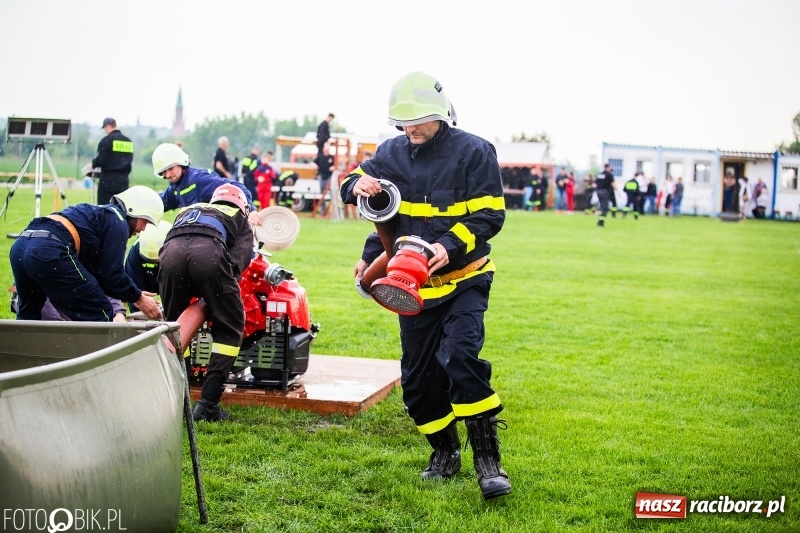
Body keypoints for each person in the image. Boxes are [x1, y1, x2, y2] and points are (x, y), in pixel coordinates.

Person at [340, 71, 511, 500]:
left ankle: (488, 462)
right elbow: (378, 207)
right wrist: (356, 188)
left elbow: (490, 216)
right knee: (417, 384)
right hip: (412, 289)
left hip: (463, 279)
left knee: (459, 357)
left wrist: (448, 248)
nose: (409, 128)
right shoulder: (389, 153)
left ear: (440, 113)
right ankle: (445, 453)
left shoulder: (474, 151)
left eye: (417, 119)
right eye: (402, 121)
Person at [158, 184, 255, 422]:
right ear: (243, 206)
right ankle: (208, 405)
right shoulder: (241, 218)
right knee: (230, 329)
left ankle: (178, 397)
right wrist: (217, 292)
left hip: (169, 256)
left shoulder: (189, 209)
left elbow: (178, 243)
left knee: (175, 329)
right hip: (208, 254)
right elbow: (237, 263)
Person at [9, 186, 163, 321]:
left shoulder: (101, 217)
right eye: (146, 221)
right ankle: (101, 354)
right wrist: (138, 298)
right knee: (100, 312)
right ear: (133, 211)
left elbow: (101, 277)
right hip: (48, 249)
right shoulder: (118, 221)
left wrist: (133, 294)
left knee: (29, 316)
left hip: (21, 245)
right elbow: (113, 273)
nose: (143, 228)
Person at [152, 142, 262, 226]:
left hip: (218, 235)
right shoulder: (175, 189)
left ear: (181, 163)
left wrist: (251, 210)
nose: (168, 175)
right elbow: (158, 203)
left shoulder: (199, 180)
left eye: (170, 169)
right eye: (164, 172)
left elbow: (237, 187)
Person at [125, 220, 172, 313]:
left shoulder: (177, 251)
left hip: (169, 278)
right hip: (146, 280)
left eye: (158, 261)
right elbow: (133, 289)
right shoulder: (135, 253)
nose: (156, 263)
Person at [92, 118, 134, 205]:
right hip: (123, 180)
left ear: (107, 126)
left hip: (108, 180)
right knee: (121, 207)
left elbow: (101, 160)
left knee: (104, 208)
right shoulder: (128, 141)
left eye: (104, 128)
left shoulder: (106, 140)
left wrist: (93, 163)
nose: (105, 131)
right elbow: (129, 160)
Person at [314, 143, 335, 213]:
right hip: (321, 177)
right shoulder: (320, 157)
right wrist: (314, 166)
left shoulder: (332, 157)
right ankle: (323, 210)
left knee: (332, 193)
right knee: (322, 194)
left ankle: (332, 210)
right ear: (323, 149)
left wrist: (333, 167)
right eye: (326, 148)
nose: (327, 149)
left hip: (329, 177)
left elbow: (337, 165)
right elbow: (313, 163)